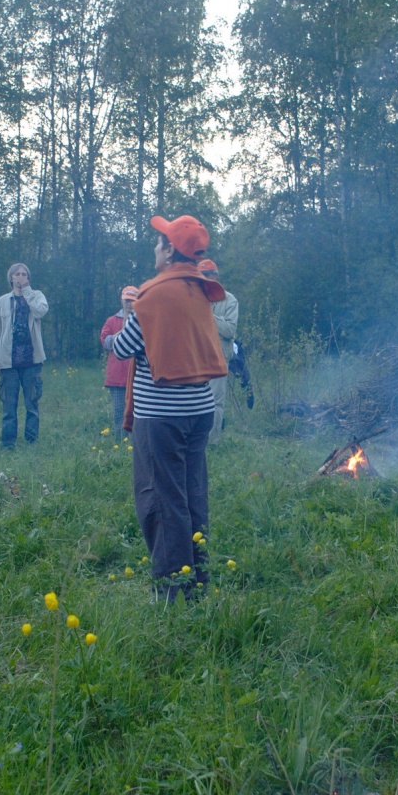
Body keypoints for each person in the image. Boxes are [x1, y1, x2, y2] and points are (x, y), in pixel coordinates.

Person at [111, 215, 227, 602]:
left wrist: (118, 330)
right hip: (200, 410)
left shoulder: (155, 295)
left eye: (158, 243)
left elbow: (124, 348)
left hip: (161, 415)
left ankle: (172, 591)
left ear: (169, 250)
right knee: (193, 493)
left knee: (163, 499)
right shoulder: (200, 289)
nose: (154, 249)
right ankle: (198, 580)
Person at [0, 263, 48, 448]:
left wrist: (28, 292)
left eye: (24, 274)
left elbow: (40, 312)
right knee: (9, 406)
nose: (21, 277)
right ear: (11, 278)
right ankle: (8, 444)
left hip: (32, 360)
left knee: (32, 403)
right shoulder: (2, 301)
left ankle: (31, 442)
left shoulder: (37, 295)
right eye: (17, 274)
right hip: (9, 360)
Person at [198, 259, 237, 445]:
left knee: (215, 402)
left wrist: (208, 315)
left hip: (219, 357)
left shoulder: (229, 299)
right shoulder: (192, 299)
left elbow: (230, 330)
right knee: (193, 400)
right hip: (194, 357)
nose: (205, 278)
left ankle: (211, 443)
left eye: (209, 274)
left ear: (216, 276)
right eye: (202, 275)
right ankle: (195, 441)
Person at [100, 286, 139, 441]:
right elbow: (105, 342)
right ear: (122, 300)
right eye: (127, 300)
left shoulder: (143, 320)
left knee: (137, 413)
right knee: (119, 413)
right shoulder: (112, 320)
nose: (129, 304)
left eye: (133, 301)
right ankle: (120, 444)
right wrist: (123, 333)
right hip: (117, 377)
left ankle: (136, 443)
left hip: (137, 376)